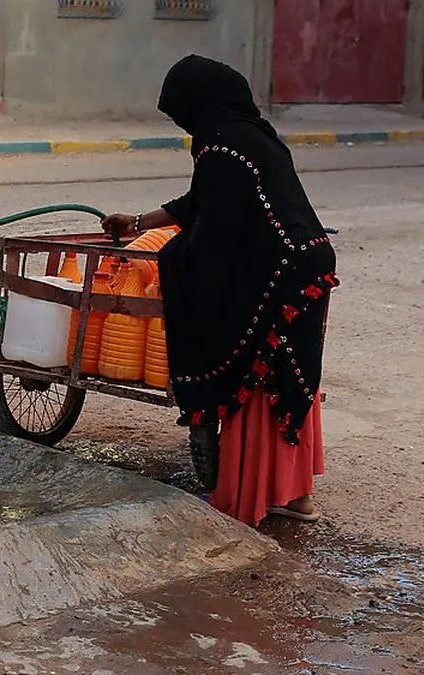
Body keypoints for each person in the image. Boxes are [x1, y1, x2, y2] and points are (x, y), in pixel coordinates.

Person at [101, 55, 338, 528]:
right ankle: (295, 496)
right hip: (306, 264)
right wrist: (141, 223)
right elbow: (204, 203)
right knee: (290, 374)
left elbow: (216, 234)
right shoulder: (253, 136)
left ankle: (246, 496)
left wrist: (171, 261)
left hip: (278, 271)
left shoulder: (222, 147)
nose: (182, 122)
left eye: (179, 112)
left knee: (255, 374)